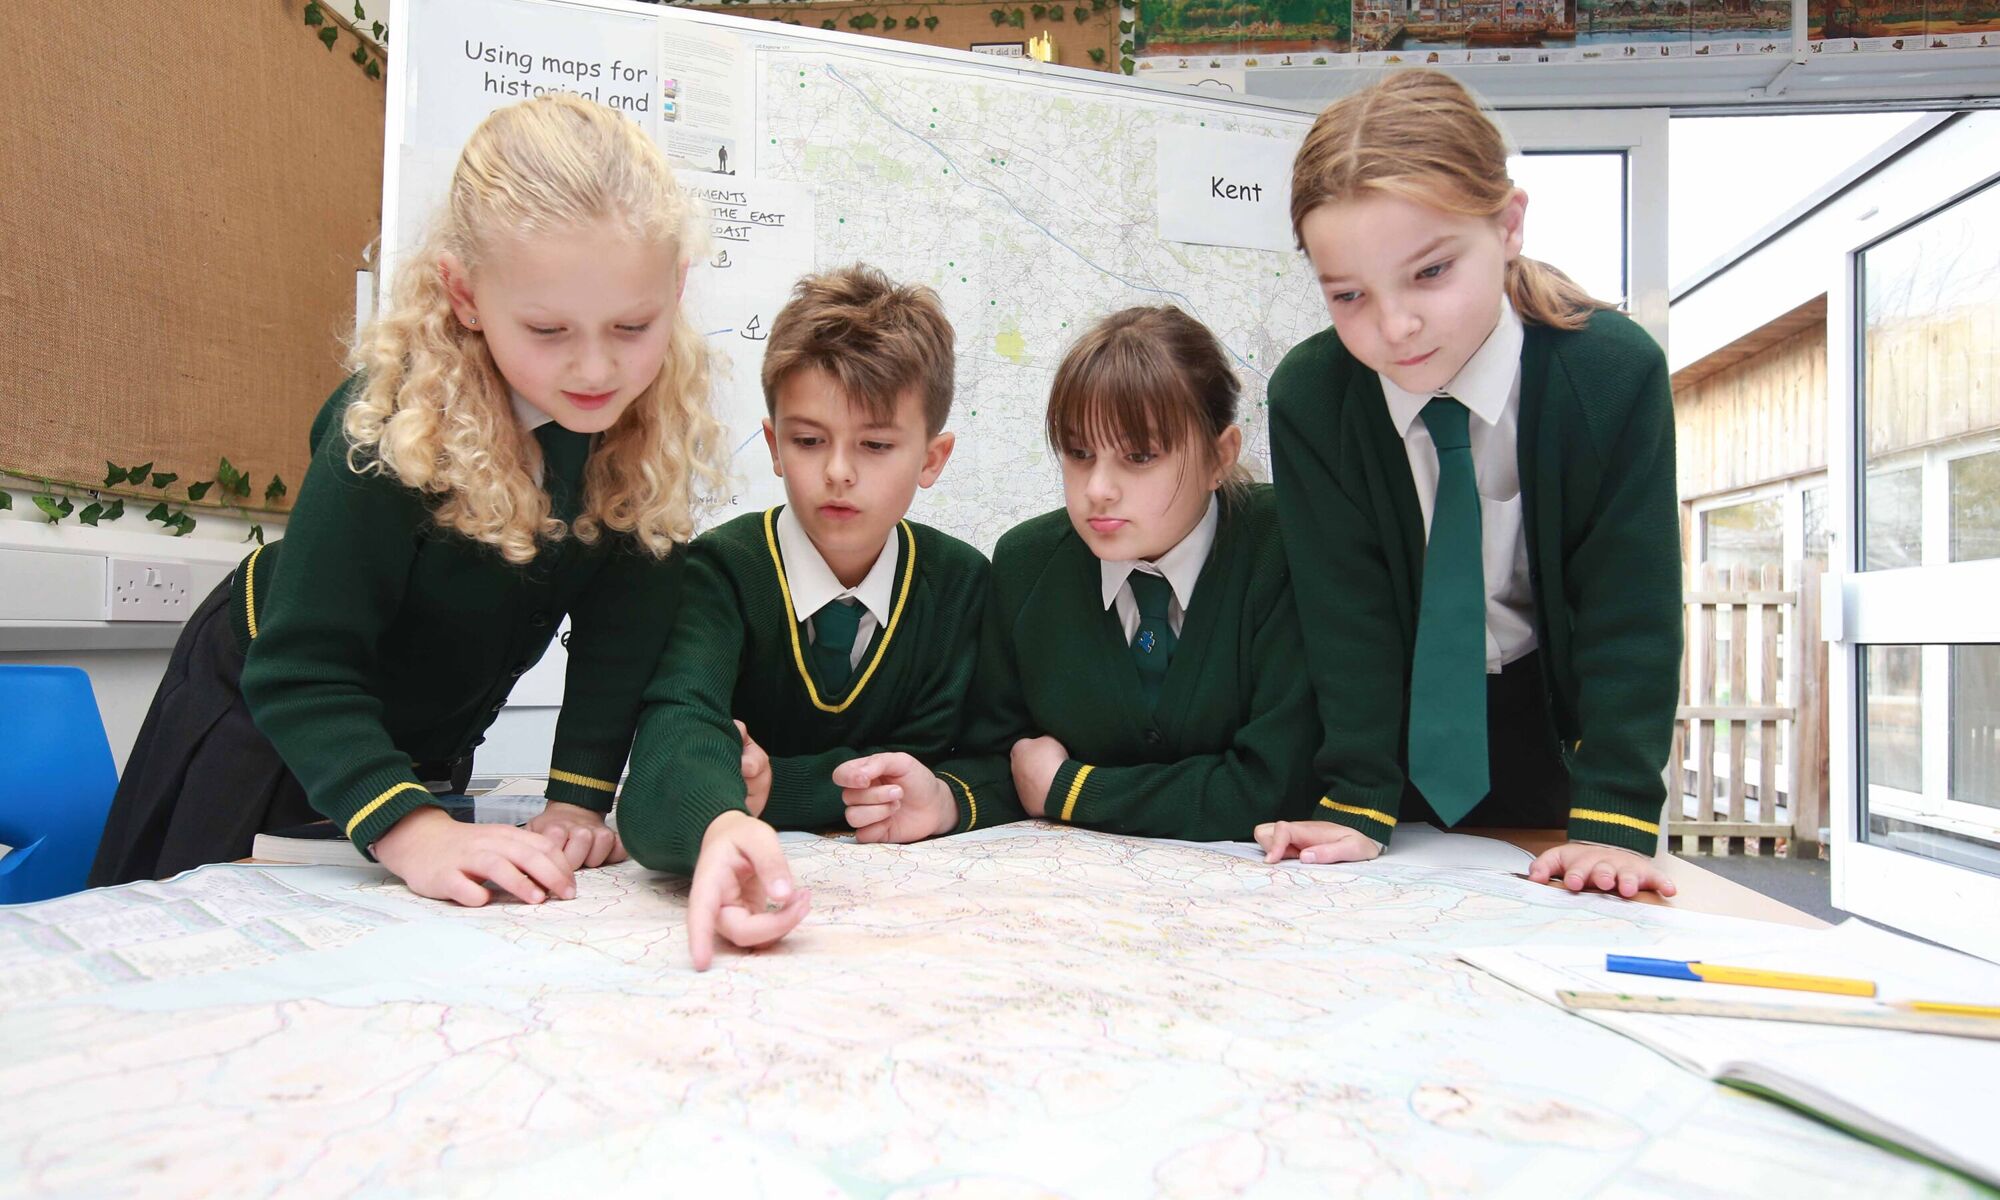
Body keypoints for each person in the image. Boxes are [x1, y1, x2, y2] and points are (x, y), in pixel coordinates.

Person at [90, 95, 728, 906]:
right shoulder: (393, 428)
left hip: (417, 739)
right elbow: (300, 669)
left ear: (675, 287)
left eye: (634, 326)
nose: (597, 370)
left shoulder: (646, 426)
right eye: (548, 331)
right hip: (263, 723)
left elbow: (624, 630)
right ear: (464, 296)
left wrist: (578, 796)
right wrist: (412, 830)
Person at [1262, 70, 1682, 898]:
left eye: (1430, 273)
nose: (1395, 326)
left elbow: (1627, 613)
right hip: (1386, 745)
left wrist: (1615, 817)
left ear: (1509, 224)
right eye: (1348, 295)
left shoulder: (1614, 375)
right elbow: (1346, 618)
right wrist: (1356, 799)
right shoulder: (1312, 397)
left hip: (1560, 743)